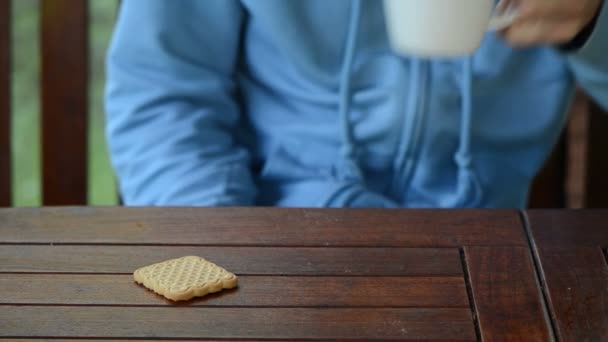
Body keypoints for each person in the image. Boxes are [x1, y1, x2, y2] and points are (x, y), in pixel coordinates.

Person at [105, 0, 608, 208]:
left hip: (485, 254)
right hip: (270, 235)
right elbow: (160, 93)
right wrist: (222, 249)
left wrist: (593, 21)